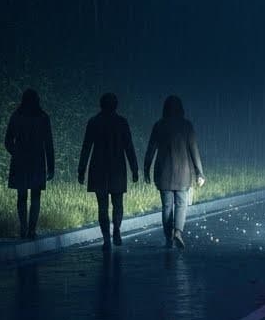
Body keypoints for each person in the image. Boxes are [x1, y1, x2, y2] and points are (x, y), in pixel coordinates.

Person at [77, 93, 139, 250]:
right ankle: (116, 230)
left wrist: (81, 170)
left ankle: (106, 238)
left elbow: (86, 147)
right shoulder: (122, 122)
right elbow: (129, 147)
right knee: (118, 203)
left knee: (102, 206)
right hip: (117, 169)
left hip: (98, 169)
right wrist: (134, 168)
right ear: (115, 105)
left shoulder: (94, 122)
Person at [143, 94, 204, 249]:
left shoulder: (159, 125)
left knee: (167, 206)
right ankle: (178, 231)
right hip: (183, 172)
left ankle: (168, 236)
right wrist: (199, 172)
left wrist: (146, 169)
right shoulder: (187, 125)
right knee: (181, 204)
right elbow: (193, 150)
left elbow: (151, 149)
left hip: (163, 171)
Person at [5, 88, 55, 240]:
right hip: (37, 160)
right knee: (35, 196)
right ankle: (32, 229)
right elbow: (49, 144)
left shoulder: (16, 116)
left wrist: (16, 152)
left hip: (20, 162)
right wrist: (51, 166)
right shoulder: (43, 117)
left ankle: (23, 228)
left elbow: (7, 141)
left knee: (21, 195)